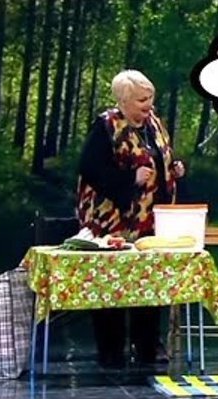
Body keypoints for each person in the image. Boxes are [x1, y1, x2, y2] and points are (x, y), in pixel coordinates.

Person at [76, 69, 185, 368]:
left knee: (149, 280)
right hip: (112, 221)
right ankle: (111, 350)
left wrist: (174, 168)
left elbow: (159, 158)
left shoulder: (154, 124)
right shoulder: (107, 125)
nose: (148, 105)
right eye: (141, 100)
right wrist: (130, 179)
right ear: (123, 101)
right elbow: (90, 168)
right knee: (111, 284)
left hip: (149, 221)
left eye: (150, 98)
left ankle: (148, 345)